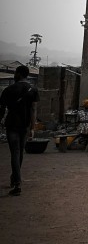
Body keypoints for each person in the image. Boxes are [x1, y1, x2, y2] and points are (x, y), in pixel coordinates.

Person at [0, 65, 39, 196]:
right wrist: (33, 127)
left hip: (12, 125)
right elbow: (33, 109)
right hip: (25, 125)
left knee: (15, 153)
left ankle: (17, 183)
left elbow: (2, 109)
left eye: (15, 73)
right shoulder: (33, 90)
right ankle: (15, 178)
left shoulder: (8, 89)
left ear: (18, 74)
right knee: (20, 153)